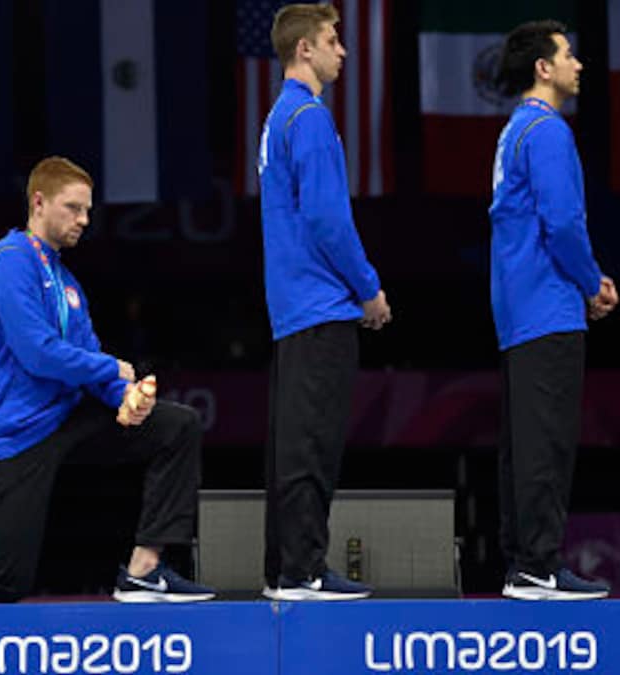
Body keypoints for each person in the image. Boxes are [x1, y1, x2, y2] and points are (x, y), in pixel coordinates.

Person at [0, 156, 214, 604]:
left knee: (177, 425)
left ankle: (145, 570)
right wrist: (113, 369)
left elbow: (88, 355)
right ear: (39, 202)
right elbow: (36, 353)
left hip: (66, 419)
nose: (84, 220)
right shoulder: (7, 262)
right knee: (5, 582)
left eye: (88, 210)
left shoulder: (67, 280)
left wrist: (125, 396)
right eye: (74, 208)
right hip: (11, 437)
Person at [258, 3, 391, 601]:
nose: (344, 50)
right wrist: (368, 288)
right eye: (334, 40)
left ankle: (284, 568)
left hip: (292, 308)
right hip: (320, 304)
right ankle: (303, 571)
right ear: (304, 50)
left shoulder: (278, 117)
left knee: (292, 442)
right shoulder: (307, 116)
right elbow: (328, 219)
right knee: (312, 444)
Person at [488, 20, 618, 600]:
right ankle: (539, 565)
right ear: (544, 67)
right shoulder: (547, 133)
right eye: (570, 55)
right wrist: (592, 282)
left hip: (518, 310)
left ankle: (523, 562)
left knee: (522, 445)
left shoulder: (516, 130)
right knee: (546, 442)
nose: (579, 65)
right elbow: (562, 222)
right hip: (548, 306)